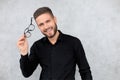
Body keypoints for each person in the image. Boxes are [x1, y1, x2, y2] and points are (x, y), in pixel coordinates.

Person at [17, 7, 93, 80]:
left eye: (48, 21)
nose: (46, 26)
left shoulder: (74, 42)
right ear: (38, 27)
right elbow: (27, 73)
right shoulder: (37, 46)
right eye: (41, 24)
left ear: (55, 20)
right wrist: (24, 53)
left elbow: (85, 71)